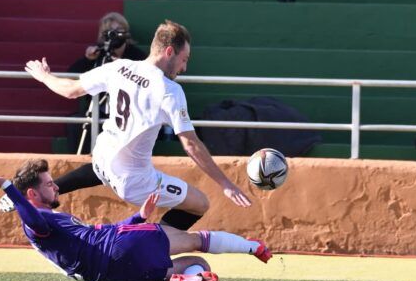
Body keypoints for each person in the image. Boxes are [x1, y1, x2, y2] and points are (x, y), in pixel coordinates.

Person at [24, 20, 251, 233]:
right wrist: (225, 184)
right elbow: (191, 145)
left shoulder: (119, 67)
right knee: (199, 203)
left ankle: (28, 196)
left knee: (100, 169)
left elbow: (70, 90)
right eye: (184, 59)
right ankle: (158, 246)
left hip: (102, 159)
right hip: (133, 181)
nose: (184, 67)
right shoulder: (169, 90)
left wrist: (44, 76)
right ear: (169, 51)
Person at [0, 159, 272, 281]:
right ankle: (253, 247)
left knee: (198, 266)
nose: (56, 188)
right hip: (123, 244)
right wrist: (5, 185)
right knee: (196, 241)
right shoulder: (37, 221)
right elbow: (30, 218)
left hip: (109, 274)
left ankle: (181, 280)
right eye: (49, 184)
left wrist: (138, 217)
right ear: (31, 194)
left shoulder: (51, 223)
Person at [66, 12, 147, 154]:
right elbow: (71, 75)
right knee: (76, 123)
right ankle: (80, 162)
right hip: (98, 109)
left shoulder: (137, 56)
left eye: (118, 32)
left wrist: (122, 66)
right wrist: (88, 59)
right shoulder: (99, 54)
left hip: (128, 111)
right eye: (109, 33)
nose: (114, 36)